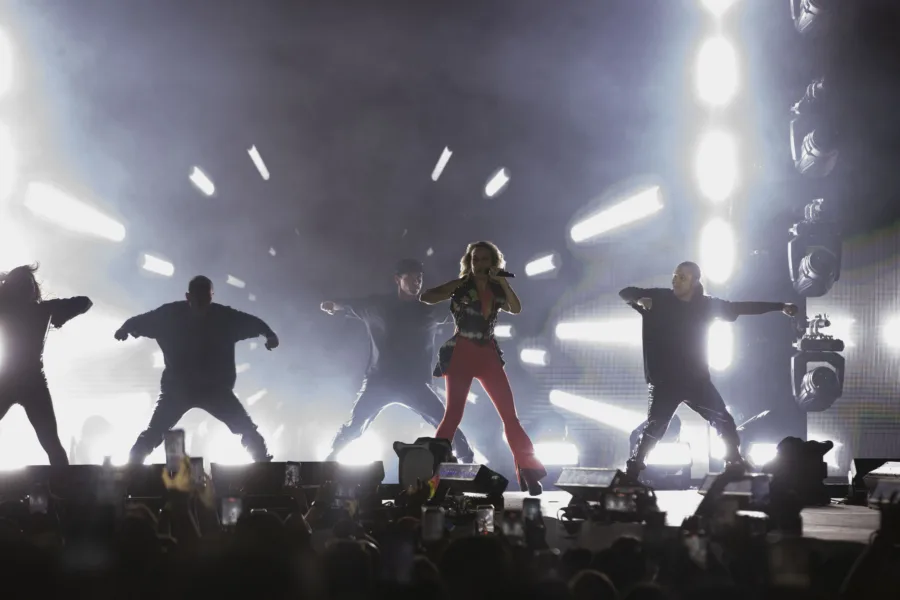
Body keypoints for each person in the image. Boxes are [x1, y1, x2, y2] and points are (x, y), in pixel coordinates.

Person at [619, 261, 798, 480]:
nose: (675, 280)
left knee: (723, 420)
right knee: (655, 427)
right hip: (664, 382)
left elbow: (739, 307)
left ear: (694, 282)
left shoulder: (706, 305)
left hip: (696, 381)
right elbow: (625, 292)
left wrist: (779, 306)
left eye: (682, 277)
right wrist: (639, 299)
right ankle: (634, 470)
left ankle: (733, 463)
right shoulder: (659, 299)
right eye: (674, 275)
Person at [421, 241, 546, 495]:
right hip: (461, 352)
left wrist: (503, 282)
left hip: (487, 353)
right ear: (470, 261)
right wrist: (453, 286)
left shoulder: (497, 287)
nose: (479, 264)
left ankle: (528, 470)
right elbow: (426, 297)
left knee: (510, 416)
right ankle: (432, 475)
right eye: (475, 259)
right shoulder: (461, 285)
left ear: (493, 263)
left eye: (484, 260)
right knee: (453, 416)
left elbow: (516, 308)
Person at [320, 259, 474, 462]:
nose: (416, 283)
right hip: (380, 381)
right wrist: (334, 304)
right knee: (356, 425)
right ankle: (330, 459)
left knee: (443, 420)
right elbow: (353, 304)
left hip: (415, 384)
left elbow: (457, 309)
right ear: (397, 280)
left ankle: (467, 459)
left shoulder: (428, 311)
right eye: (410, 278)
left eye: (419, 279)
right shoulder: (378, 307)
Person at [116, 275, 278, 464]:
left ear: (211, 297)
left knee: (245, 428)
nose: (202, 304)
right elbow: (138, 321)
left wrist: (269, 334)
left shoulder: (223, 317)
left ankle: (263, 466)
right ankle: (131, 469)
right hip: (181, 390)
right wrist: (125, 329)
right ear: (188, 297)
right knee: (155, 431)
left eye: (206, 299)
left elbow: (253, 322)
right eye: (198, 299)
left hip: (211, 390)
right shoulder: (170, 316)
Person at [0, 264, 93, 466]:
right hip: (29, 382)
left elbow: (85, 302)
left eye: (29, 284)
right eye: (24, 284)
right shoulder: (44, 310)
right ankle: (66, 489)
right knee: (51, 442)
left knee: (51, 442)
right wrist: (59, 316)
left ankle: (66, 488)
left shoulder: (39, 310)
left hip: (13, 381)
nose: (27, 287)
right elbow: (85, 302)